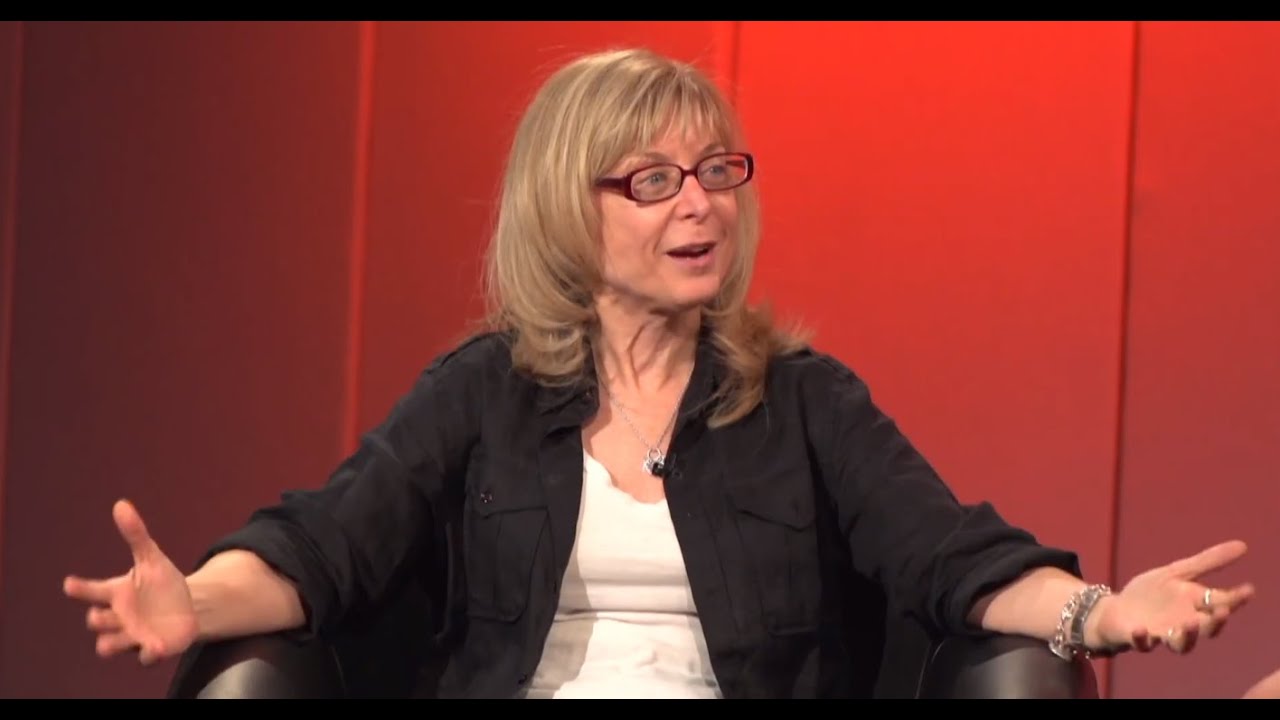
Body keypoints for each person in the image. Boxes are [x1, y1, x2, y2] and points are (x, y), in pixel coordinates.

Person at [64, 47, 1255, 699]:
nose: (700, 205)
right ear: (567, 211)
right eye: (651, 181)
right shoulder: (483, 393)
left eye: (716, 172)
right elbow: (326, 544)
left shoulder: (804, 400)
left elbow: (948, 560)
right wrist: (193, 605)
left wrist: (1100, 612)